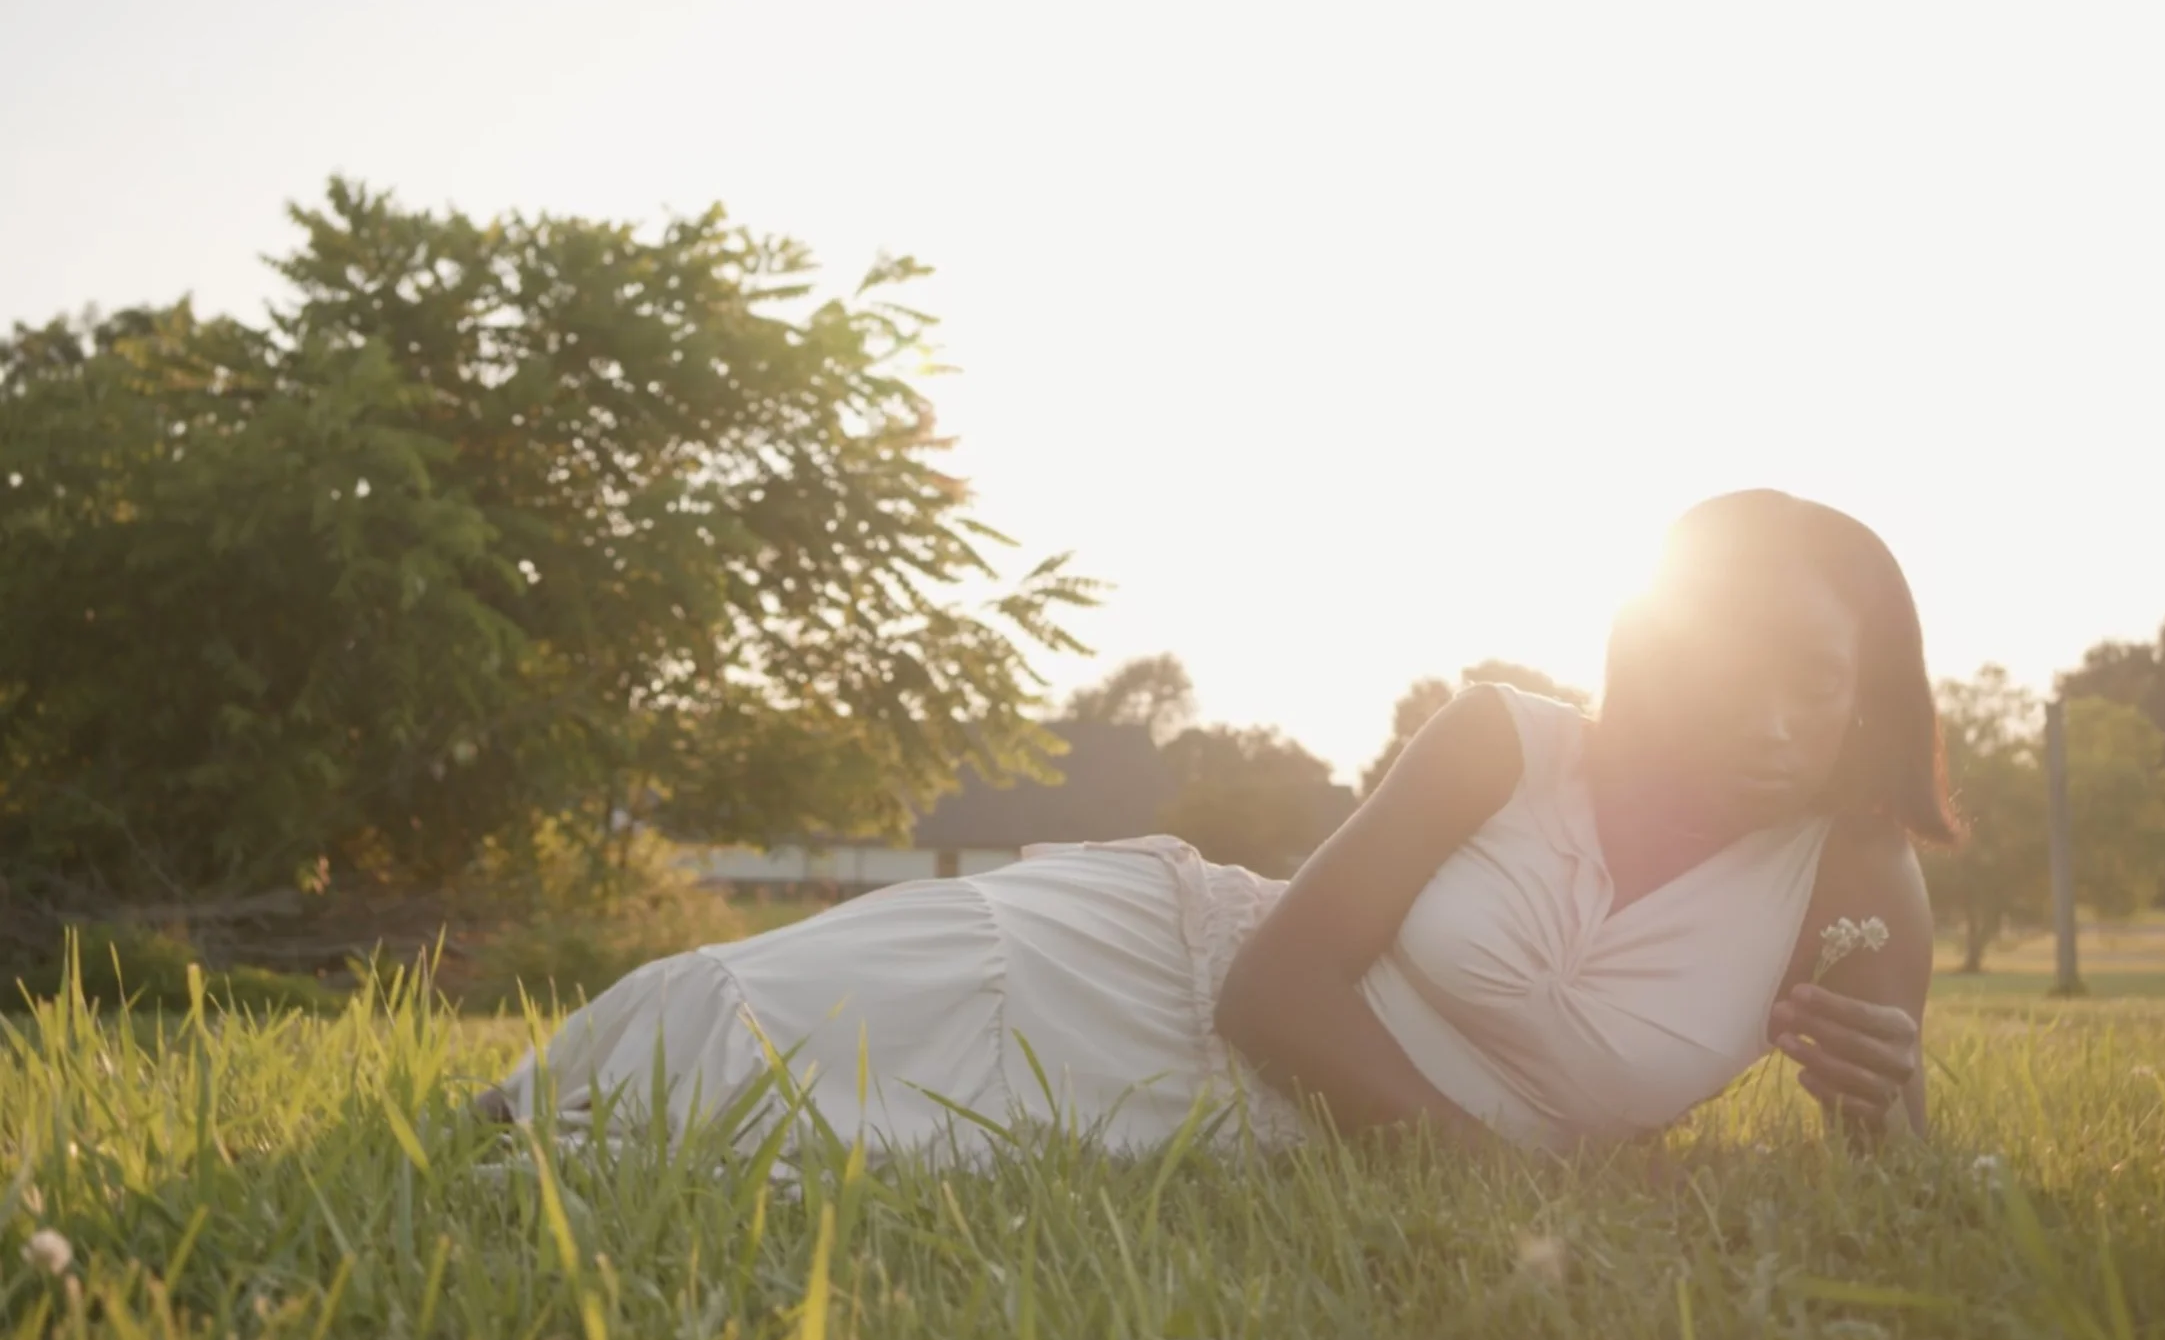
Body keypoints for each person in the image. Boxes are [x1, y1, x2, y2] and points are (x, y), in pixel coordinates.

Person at [485, 489, 1954, 1162]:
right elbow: (1272, 990)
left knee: (836, 1142)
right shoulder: (1502, 740)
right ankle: (515, 1108)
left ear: (1865, 699)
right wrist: (1486, 1168)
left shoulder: (1850, 868)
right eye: (1737, 675)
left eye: (1817, 687)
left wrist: (1888, 1109)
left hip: (1263, 1129)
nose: (1775, 724)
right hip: (1151, 971)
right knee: (738, 1020)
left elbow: (1895, 1166)